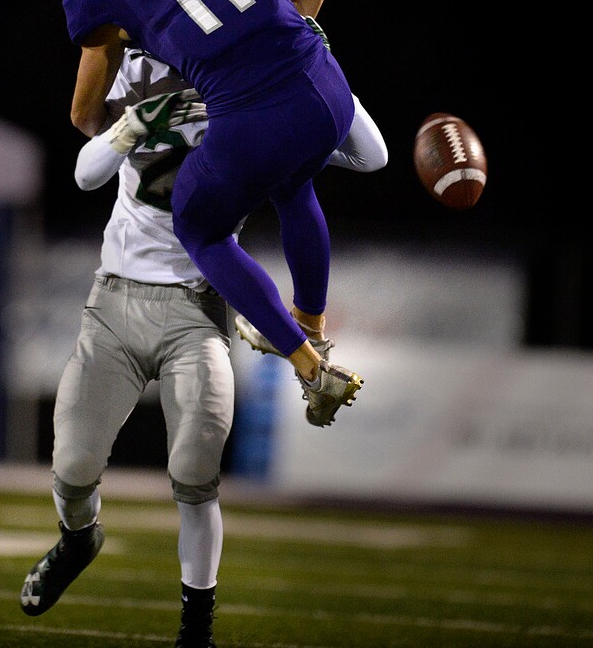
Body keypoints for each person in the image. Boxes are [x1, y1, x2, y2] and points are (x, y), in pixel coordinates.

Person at [20, 47, 387, 647]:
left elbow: (370, 155)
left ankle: (197, 631)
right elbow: (86, 172)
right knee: (72, 467)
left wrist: (312, 56)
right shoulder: (136, 68)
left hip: (198, 308)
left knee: (195, 469)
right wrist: (130, 126)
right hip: (114, 302)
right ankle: (78, 536)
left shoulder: (258, 70)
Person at [65, 0, 381, 431]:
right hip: (324, 86)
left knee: (199, 226)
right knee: (295, 183)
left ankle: (311, 367)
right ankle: (310, 322)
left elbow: (86, 114)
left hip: (249, 114)